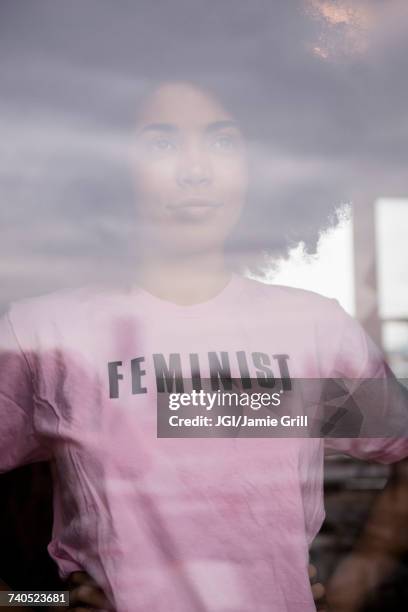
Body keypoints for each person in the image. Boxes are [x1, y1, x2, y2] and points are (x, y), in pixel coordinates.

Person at [0, 79, 407, 612]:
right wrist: (37, 600)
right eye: (162, 144)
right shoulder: (43, 332)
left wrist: (350, 586)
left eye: (221, 141)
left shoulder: (311, 328)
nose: (196, 170)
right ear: (114, 168)